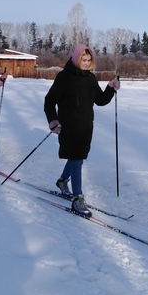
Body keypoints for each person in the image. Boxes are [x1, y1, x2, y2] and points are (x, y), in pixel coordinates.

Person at [44, 43, 120, 217]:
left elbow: (100, 100)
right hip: (68, 126)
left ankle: (63, 181)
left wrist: (110, 88)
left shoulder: (90, 79)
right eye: (83, 60)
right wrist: (53, 121)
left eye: (88, 60)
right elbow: (49, 101)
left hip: (86, 126)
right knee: (77, 159)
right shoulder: (64, 77)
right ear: (76, 59)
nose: (86, 63)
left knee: (77, 158)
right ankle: (78, 198)